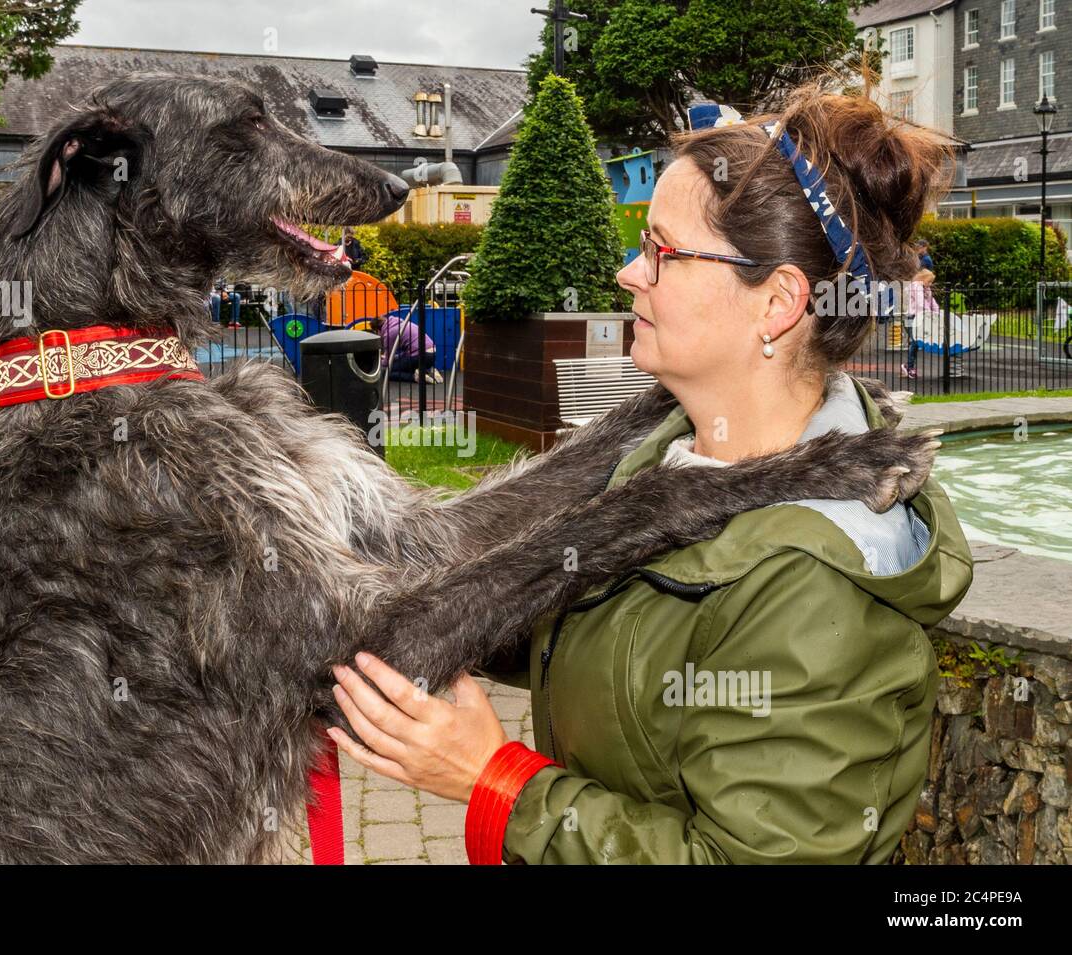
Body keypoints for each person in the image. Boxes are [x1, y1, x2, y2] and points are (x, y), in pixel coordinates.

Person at [327, 72, 974, 863]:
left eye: (659, 251)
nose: (629, 273)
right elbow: (606, 634)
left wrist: (495, 779)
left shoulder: (815, 578)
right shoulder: (672, 445)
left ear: (776, 303)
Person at [368, 311, 441, 384]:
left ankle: (416, 377)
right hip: (432, 355)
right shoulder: (401, 323)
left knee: (386, 372)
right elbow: (408, 351)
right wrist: (396, 357)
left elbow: (387, 362)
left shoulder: (388, 333)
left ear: (378, 330)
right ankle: (429, 370)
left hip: (420, 356)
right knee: (402, 365)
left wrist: (379, 362)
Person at [901, 268, 939, 380]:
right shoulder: (917, 286)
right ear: (923, 278)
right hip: (911, 317)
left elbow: (933, 302)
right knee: (916, 341)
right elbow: (920, 303)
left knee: (916, 342)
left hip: (920, 317)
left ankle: (909, 366)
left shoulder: (926, 288)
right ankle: (908, 366)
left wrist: (937, 312)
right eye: (929, 281)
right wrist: (929, 313)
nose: (930, 284)